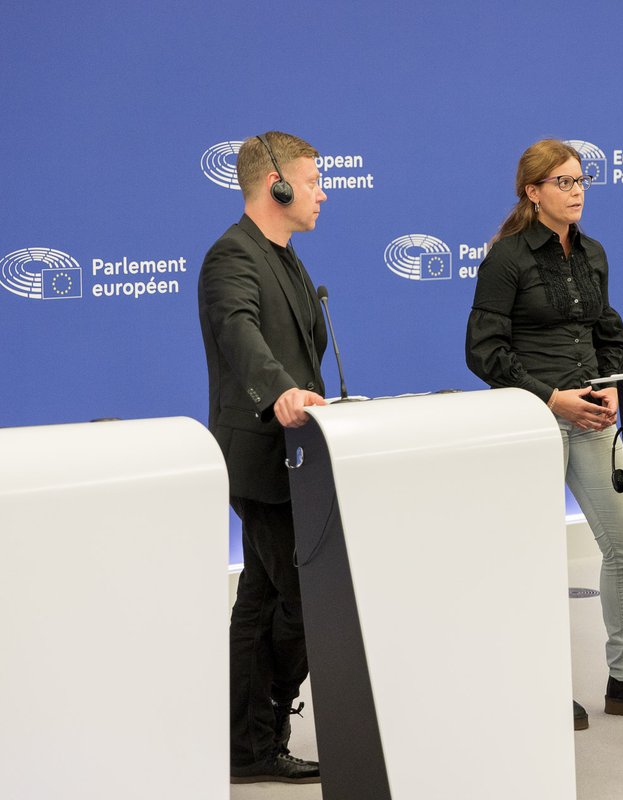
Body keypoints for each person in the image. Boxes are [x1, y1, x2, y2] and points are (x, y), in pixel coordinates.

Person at [465, 140, 623, 731]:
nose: (576, 192)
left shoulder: (592, 253)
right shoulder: (507, 260)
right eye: (563, 183)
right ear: (533, 192)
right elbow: (484, 352)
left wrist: (616, 384)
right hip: (533, 418)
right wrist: (552, 398)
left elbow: (611, 334)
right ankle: (539, 682)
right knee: (532, 554)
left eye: (581, 181)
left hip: (592, 416)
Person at [198, 131, 328, 784]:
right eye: (311, 181)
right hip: (261, 459)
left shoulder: (288, 258)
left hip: (299, 455)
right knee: (300, 598)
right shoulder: (233, 257)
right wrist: (279, 389)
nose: (321, 192)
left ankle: (248, 746)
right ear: (275, 183)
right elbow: (239, 333)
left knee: (261, 598)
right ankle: (263, 731)